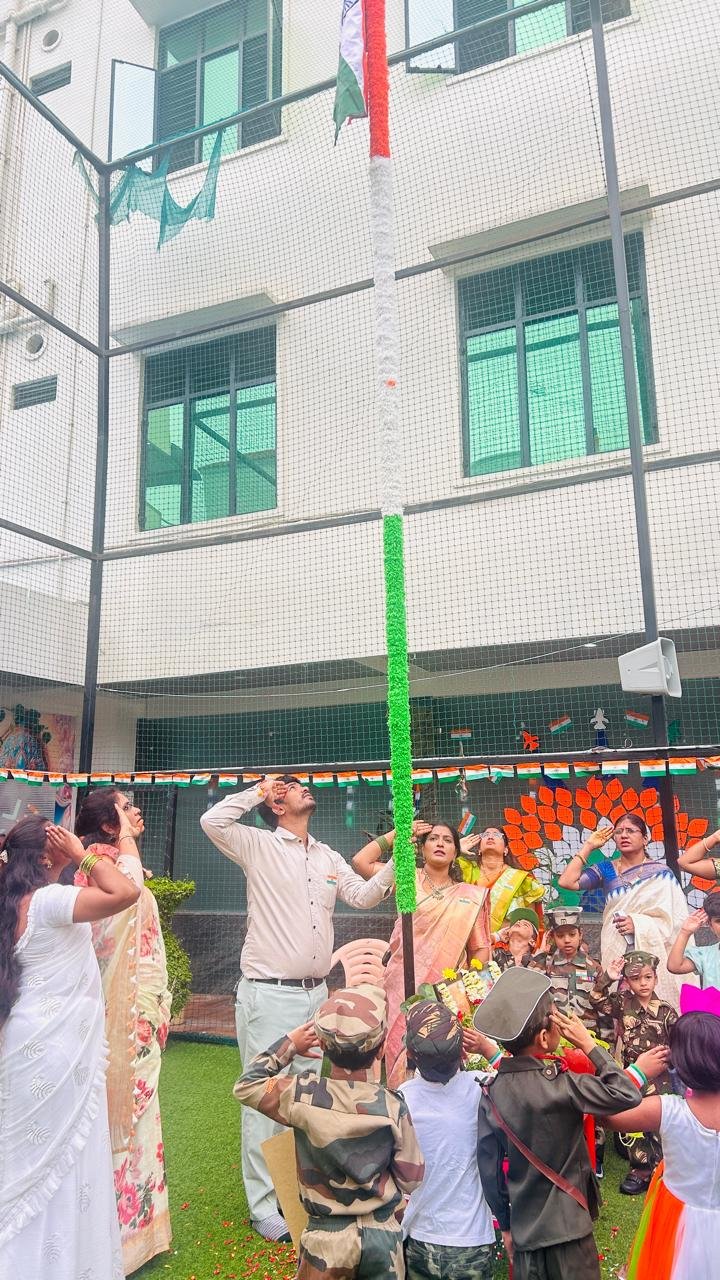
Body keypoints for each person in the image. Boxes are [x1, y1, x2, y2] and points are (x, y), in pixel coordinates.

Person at [200, 775, 397, 1241]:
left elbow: (363, 895)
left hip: (316, 995)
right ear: (276, 803)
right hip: (268, 994)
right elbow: (212, 820)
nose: (302, 787)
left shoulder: (326, 855)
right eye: (289, 786)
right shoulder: (257, 845)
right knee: (264, 1097)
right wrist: (258, 789)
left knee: (308, 1097)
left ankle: (301, 1190)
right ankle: (264, 1206)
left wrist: (397, 858)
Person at [0, 814, 140, 1280]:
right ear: (46, 855)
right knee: (58, 1163)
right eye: (57, 834)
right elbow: (124, 892)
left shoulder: (14, 903)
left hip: (30, 1046)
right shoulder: (49, 901)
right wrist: (85, 856)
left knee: (32, 1162)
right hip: (56, 1053)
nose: (72, 838)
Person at [474, 967, 667, 1280]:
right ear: (543, 1037)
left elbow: (490, 1172)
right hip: (571, 1233)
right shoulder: (565, 1085)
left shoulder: (491, 1094)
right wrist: (589, 1045)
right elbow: (625, 1093)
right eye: (556, 1017)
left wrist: (506, 1227)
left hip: (525, 1232)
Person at [233, 984, 424, 1279]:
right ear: (381, 1049)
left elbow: (247, 1085)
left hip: (325, 1241)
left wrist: (289, 1045)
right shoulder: (392, 1105)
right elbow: (412, 1179)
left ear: (322, 1046)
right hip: (382, 1240)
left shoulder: (301, 1095)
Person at [75, 788, 172, 1273]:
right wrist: (127, 847)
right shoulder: (105, 870)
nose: (137, 811)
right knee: (126, 1116)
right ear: (110, 825)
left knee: (135, 1116)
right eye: (126, 807)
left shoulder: (103, 866)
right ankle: (118, 1238)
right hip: (124, 1014)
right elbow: (129, 889)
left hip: (138, 1008)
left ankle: (134, 1235)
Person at [354, 821, 490, 1090]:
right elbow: (361, 862)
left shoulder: (470, 895)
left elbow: (480, 949)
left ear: (456, 852)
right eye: (433, 838)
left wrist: (470, 990)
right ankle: (402, 1103)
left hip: (448, 992)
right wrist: (397, 834)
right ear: (423, 847)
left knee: (445, 1055)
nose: (440, 843)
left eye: (447, 840)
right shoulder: (406, 878)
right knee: (401, 1050)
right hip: (402, 984)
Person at [606, 997, 720, 1279]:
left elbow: (603, 1113)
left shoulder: (667, 1110)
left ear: (677, 1062)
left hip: (674, 1226)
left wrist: (637, 1073)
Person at [399, 999, 501, 1280]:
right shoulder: (483, 1088)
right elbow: (525, 1082)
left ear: (410, 1053)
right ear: (463, 1052)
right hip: (471, 1238)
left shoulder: (402, 1099)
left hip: (420, 1235)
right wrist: (488, 1049)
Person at [557, 815, 693, 1007]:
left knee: (657, 1007)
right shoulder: (606, 869)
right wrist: (588, 846)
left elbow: (676, 920)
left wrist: (638, 924)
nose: (623, 835)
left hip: (654, 952)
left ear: (645, 839)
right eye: (619, 832)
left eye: (630, 831)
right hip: (617, 947)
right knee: (618, 1006)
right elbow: (566, 882)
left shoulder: (662, 874)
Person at [589, 950, 678, 1195]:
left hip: (660, 1079)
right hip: (634, 1075)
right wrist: (608, 977)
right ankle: (640, 1170)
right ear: (627, 981)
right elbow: (596, 999)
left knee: (660, 1125)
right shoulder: (622, 1003)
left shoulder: (666, 1011)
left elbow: (678, 1042)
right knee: (635, 1124)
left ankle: (663, 1169)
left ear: (656, 979)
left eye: (648, 977)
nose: (643, 983)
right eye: (636, 979)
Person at [456, 826, 544, 941]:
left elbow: (530, 927)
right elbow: (437, 871)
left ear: (506, 849)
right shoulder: (464, 869)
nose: (490, 837)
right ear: (479, 850)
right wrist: (456, 849)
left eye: (496, 835)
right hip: (464, 942)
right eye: (485, 835)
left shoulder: (521, 880)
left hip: (504, 947)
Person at [531, 907, 602, 1029]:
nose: (567, 940)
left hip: (587, 1033)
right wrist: (541, 953)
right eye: (560, 936)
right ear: (553, 937)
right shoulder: (545, 964)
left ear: (580, 935)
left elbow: (603, 1009)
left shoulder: (594, 968)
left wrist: (605, 1038)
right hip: (555, 1033)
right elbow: (531, 991)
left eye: (572, 934)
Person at [667, 892, 720, 986]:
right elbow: (674, 966)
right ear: (710, 925)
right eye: (719, 921)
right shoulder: (706, 955)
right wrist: (685, 932)